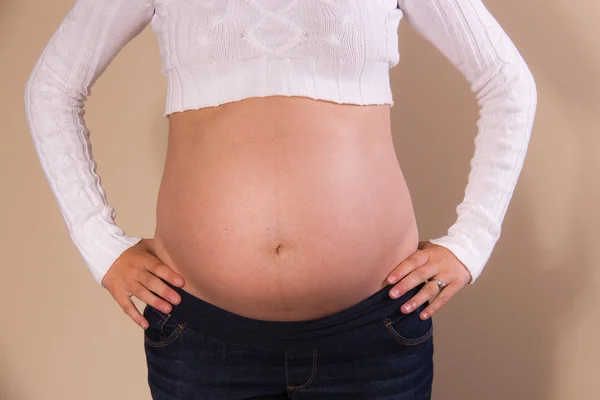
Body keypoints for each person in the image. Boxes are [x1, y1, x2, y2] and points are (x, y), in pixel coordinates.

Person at [24, 0, 537, 398]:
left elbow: (505, 80)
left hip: (372, 335)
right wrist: (99, 243)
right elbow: (53, 86)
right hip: (204, 342)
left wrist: (473, 240)